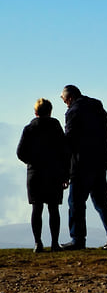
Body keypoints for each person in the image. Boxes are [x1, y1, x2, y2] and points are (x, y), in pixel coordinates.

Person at [61, 85, 107, 249]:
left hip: (81, 163)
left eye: (63, 99)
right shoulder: (97, 106)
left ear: (69, 98)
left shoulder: (73, 111)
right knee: (101, 200)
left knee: (76, 202)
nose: (64, 103)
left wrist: (64, 167)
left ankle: (78, 239)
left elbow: (70, 140)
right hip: (100, 160)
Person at [16, 98, 71, 252]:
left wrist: (32, 162)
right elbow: (65, 152)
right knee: (53, 209)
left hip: (35, 174)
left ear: (36, 112)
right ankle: (54, 243)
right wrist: (65, 174)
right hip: (54, 173)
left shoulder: (29, 129)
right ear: (50, 111)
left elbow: (20, 152)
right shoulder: (56, 128)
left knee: (36, 208)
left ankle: (37, 243)